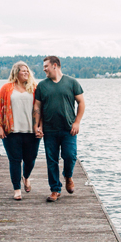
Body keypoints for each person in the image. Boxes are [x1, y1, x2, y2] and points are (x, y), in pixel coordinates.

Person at [33, 56, 85, 202]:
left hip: (69, 129)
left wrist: (77, 122)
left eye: (46, 66)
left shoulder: (72, 82)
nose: (44, 69)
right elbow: (37, 106)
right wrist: (36, 125)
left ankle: (68, 176)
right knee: (51, 160)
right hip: (50, 130)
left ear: (55, 65)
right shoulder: (42, 86)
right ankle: (55, 189)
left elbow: (81, 103)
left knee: (70, 156)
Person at [0, 61, 42, 200]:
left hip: (31, 131)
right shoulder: (7, 88)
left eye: (27, 71)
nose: (26, 73)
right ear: (16, 73)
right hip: (11, 132)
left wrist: (40, 127)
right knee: (15, 160)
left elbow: (41, 108)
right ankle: (17, 189)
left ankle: (26, 177)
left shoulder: (34, 88)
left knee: (30, 159)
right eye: (23, 71)